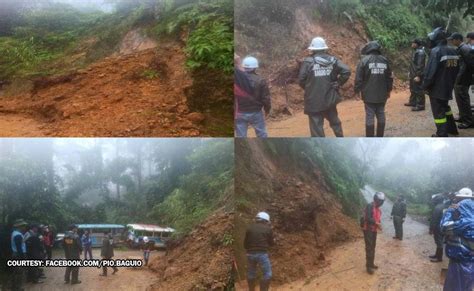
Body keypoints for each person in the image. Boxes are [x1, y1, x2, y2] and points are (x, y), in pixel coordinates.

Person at [298, 37, 351, 137]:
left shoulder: (308, 62)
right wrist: (338, 83)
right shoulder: (333, 60)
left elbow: (301, 80)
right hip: (329, 99)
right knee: (335, 123)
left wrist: (310, 88)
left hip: (313, 101)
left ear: (312, 49)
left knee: (317, 129)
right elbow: (346, 71)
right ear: (324, 48)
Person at [422, 27, 460, 137]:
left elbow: (430, 72)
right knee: (445, 107)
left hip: (437, 87)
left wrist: (425, 86)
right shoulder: (453, 50)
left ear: (435, 39)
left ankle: (442, 133)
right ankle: (452, 129)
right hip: (448, 85)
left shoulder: (436, 51)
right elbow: (457, 69)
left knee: (438, 111)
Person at [355, 41, 393, 137]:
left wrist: (357, 91)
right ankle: (380, 136)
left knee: (369, 115)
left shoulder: (364, 61)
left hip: (368, 94)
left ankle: (370, 137)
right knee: (381, 113)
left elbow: (358, 78)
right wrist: (389, 90)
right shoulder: (385, 60)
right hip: (382, 93)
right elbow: (390, 77)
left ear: (369, 49)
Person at [440, 188, 474, 291]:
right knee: (467, 285)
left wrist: (449, 211)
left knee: (455, 287)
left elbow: (444, 227)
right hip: (470, 260)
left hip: (460, 260)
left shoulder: (463, 219)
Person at [234, 56, 271, 138]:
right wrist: (267, 110)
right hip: (256, 112)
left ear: (243, 66)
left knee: (241, 136)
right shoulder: (260, 80)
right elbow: (266, 98)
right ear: (255, 68)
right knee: (262, 134)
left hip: (240, 113)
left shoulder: (236, 80)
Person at [448, 33, 473, 129]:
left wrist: (464, 77)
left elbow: (470, 64)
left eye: (453, 39)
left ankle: (468, 121)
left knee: (464, 100)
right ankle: (463, 117)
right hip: (459, 79)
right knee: (459, 99)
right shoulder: (460, 49)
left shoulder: (465, 49)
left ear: (458, 39)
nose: (451, 41)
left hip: (463, 79)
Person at [244, 211, 274, 291]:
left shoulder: (249, 228)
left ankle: (251, 289)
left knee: (251, 273)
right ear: (265, 220)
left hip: (250, 254)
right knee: (267, 274)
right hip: (262, 254)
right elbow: (271, 243)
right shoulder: (268, 229)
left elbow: (245, 244)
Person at [361, 192, 385, 274]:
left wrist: (378, 224)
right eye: (380, 201)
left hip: (373, 230)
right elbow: (368, 218)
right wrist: (376, 223)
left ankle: (371, 264)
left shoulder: (378, 209)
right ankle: (368, 267)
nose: (381, 203)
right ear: (376, 200)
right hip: (368, 230)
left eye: (382, 201)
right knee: (369, 247)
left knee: (373, 247)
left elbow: (377, 219)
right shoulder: (370, 206)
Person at [405, 39, 426, 111]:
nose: (411, 44)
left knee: (419, 89)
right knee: (413, 88)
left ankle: (421, 105)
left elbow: (420, 65)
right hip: (413, 73)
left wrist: (418, 75)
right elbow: (413, 64)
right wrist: (410, 72)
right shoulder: (416, 51)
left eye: (413, 43)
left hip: (417, 74)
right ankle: (413, 102)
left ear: (416, 44)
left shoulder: (420, 52)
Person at [429, 193, 450, 263]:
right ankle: (436, 255)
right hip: (444, 227)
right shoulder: (445, 207)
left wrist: (431, 229)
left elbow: (434, 219)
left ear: (437, 200)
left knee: (439, 242)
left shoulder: (437, 208)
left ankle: (439, 258)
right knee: (439, 241)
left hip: (438, 227)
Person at [10, 219, 28, 291]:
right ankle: (18, 288)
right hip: (18, 255)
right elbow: (19, 248)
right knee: (19, 272)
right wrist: (23, 258)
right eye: (23, 226)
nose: (24, 227)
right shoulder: (18, 235)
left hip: (15, 254)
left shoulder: (14, 233)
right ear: (19, 226)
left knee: (16, 272)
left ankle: (14, 287)